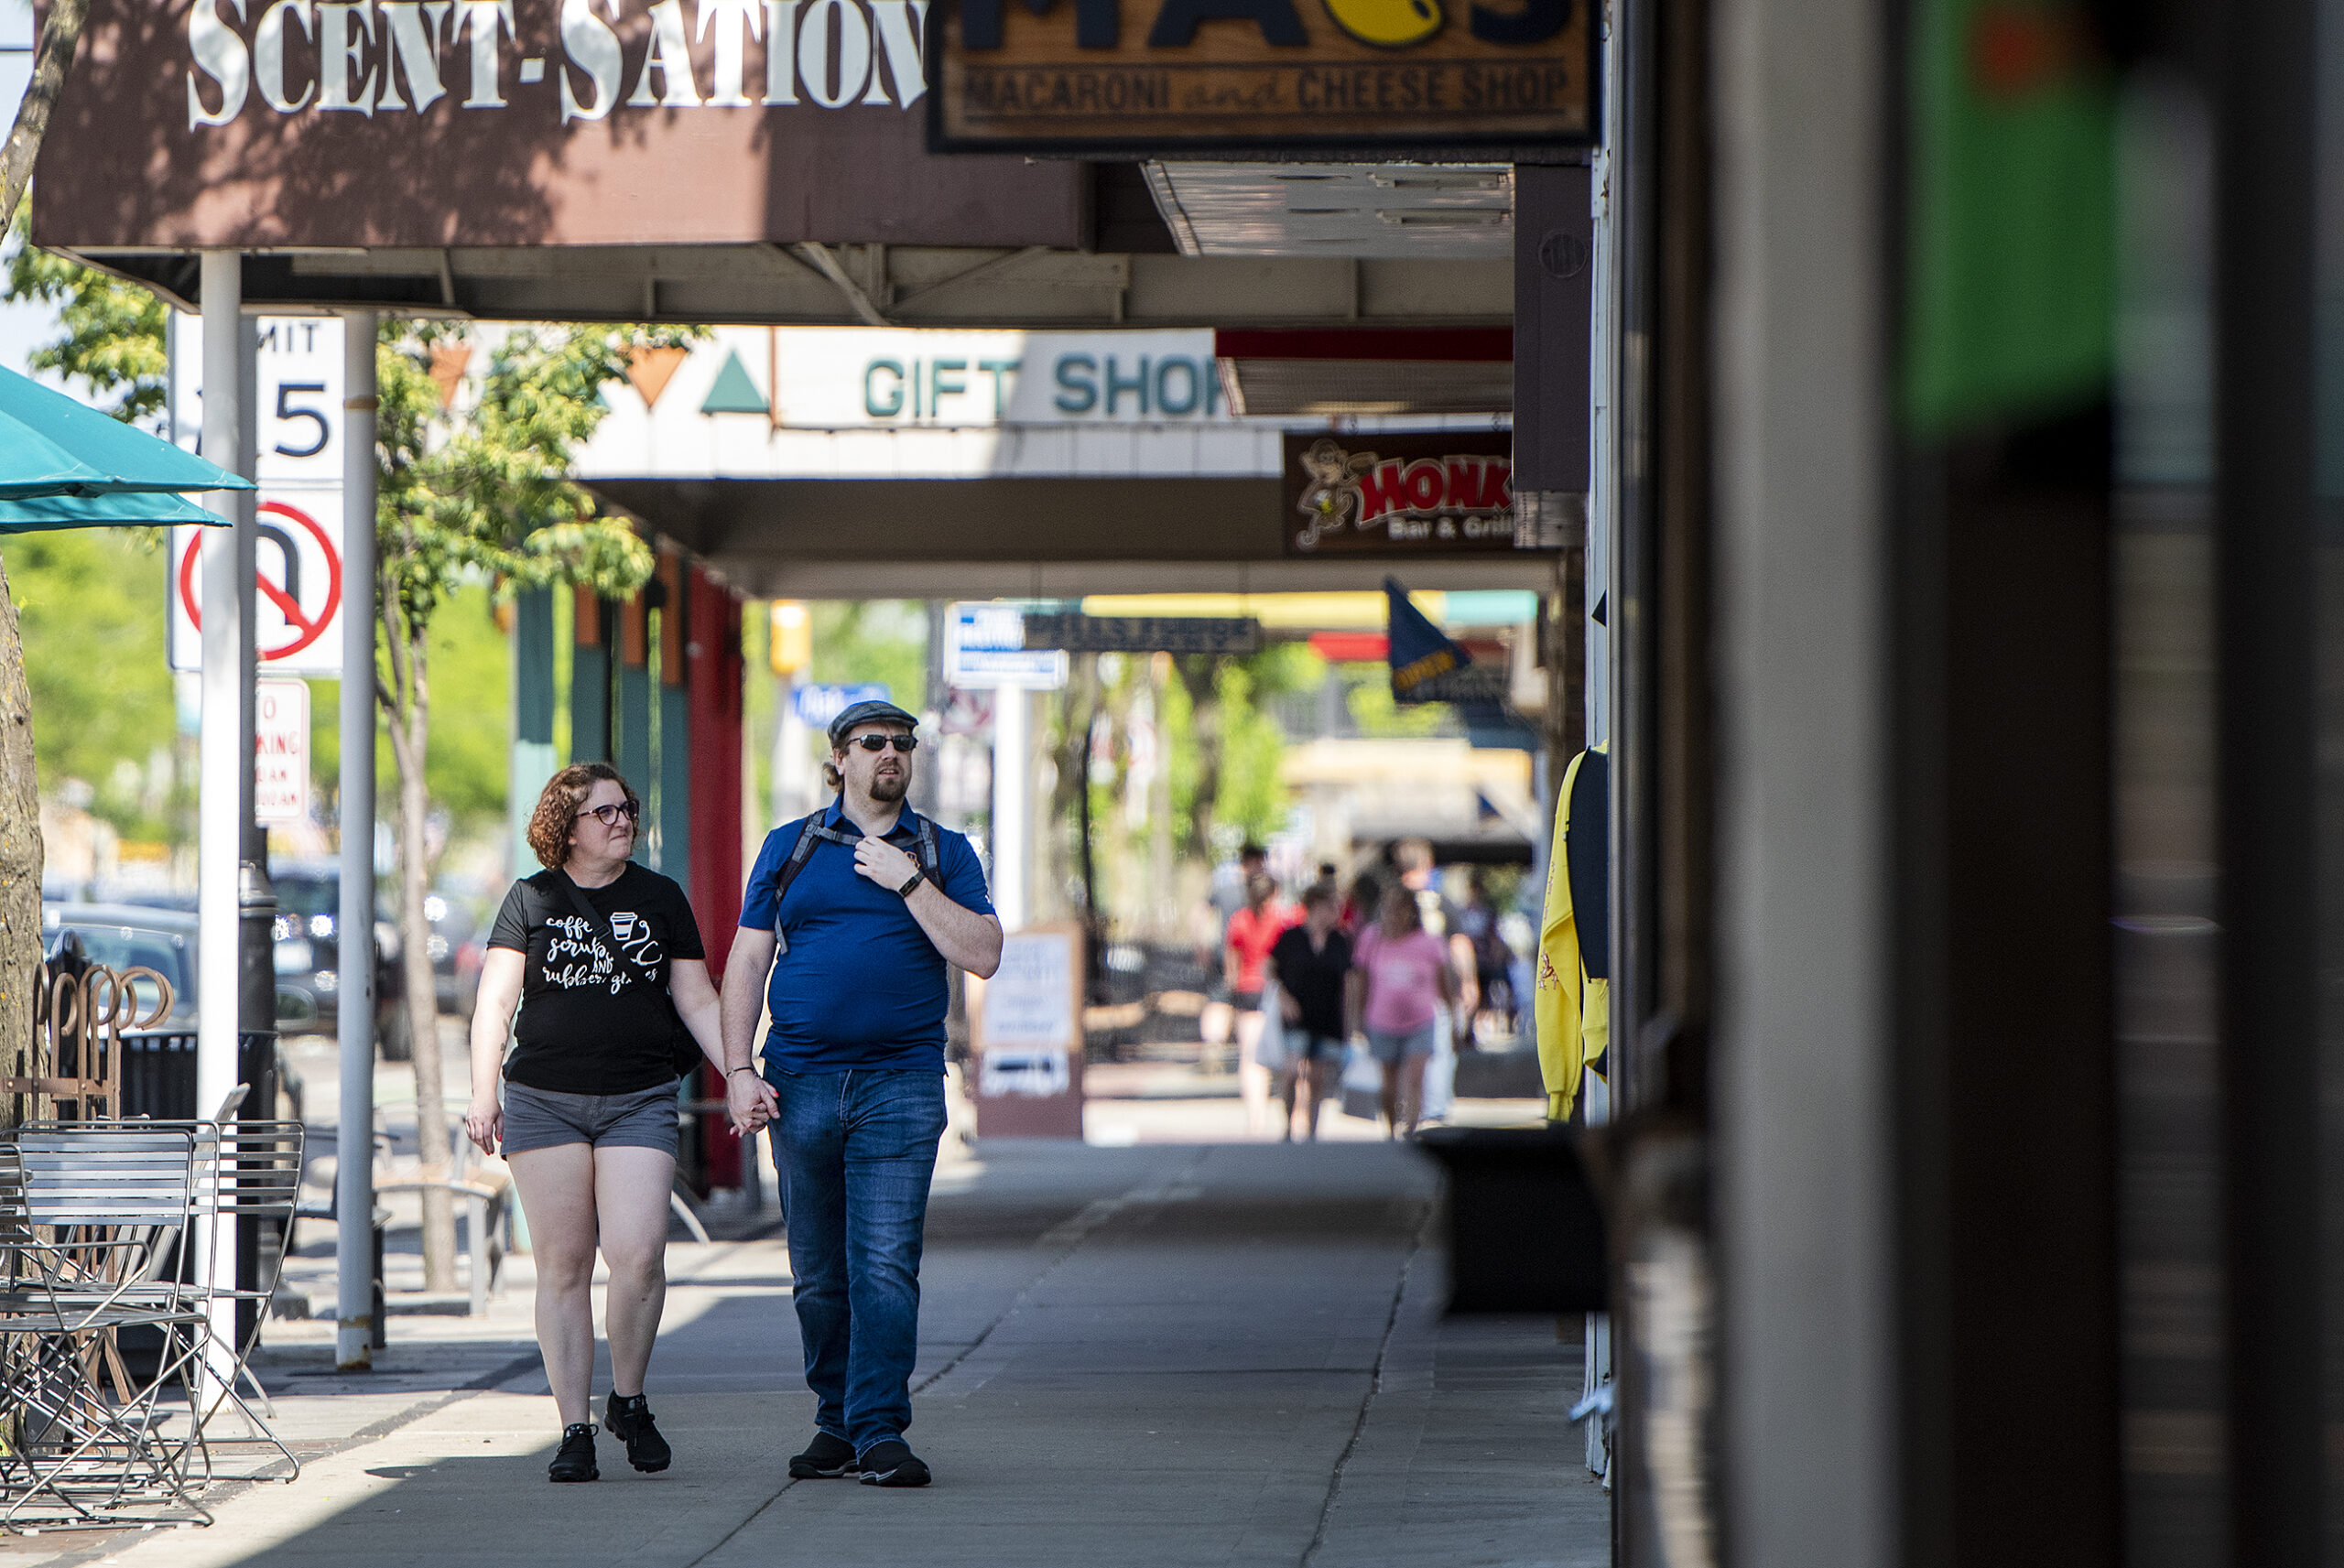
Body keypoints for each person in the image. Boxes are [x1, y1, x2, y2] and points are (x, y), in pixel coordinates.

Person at [717, 698, 1002, 1490]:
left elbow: (982, 953)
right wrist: (739, 1069)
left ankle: (878, 1428)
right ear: (838, 757)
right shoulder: (793, 845)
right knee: (817, 1272)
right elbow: (746, 962)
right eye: (873, 742)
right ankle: (834, 1421)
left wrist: (907, 879)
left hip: (900, 1083)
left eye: (902, 743)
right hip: (800, 1081)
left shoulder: (942, 850)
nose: (891, 753)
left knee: (884, 1263)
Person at [463, 763, 725, 1484]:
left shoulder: (660, 897)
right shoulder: (531, 900)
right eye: (606, 812)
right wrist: (484, 1091)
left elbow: (698, 999)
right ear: (568, 826)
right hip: (544, 1100)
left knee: (639, 1254)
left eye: (628, 809)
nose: (622, 821)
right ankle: (573, 1426)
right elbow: (494, 1005)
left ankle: (630, 1399)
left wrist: (741, 1073)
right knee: (565, 1266)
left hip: (639, 1095)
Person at [1347, 883, 1460, 1139]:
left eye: (1399, 908)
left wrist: (1454, 1023)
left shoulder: (1429, 942)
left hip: (1420, 1022)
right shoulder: (1371, 938)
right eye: (1388, 908)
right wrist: (1357, 1018)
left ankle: (1409, 1129)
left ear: (1411, 912)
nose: (1393, 914)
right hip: (1381, 1020)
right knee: (1389, 1084)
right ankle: (1390, 1128)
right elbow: (1361, 980)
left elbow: (1445, 987)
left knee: (1415, 1079)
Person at [1265, 883, 1352, 1141]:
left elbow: (1349, 981)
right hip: (1295, 1015)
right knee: (1291, 1070)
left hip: (1327, 1017)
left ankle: (1313, 1132)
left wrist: (1351, 1021)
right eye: (1330, 907)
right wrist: (1282, 997)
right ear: (1314, 907)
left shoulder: (1339, 941)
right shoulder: (1291, 937)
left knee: (1318, 1077)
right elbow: (1269, 969)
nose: (1334, 912)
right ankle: (1289, 1124)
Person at [1223, 871, 1297, 1136]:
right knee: (1282, 1053)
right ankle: (1289, 1113)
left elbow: (1232, 960)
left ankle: (1256, 1118)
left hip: (1248, 991)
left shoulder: (1239, 920)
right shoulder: (1284, 920)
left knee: (1251, 1055)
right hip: (1275, 991)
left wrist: (1231, 988)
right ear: (1275, 892)